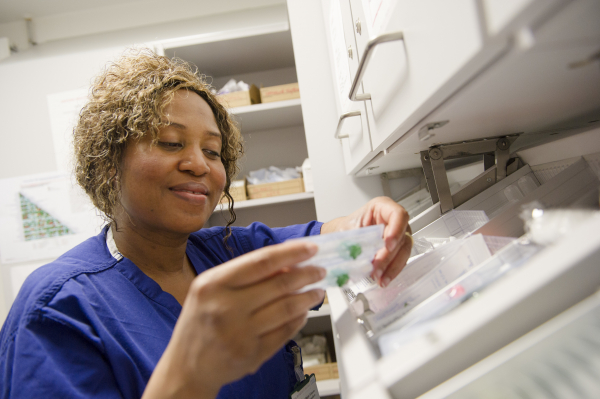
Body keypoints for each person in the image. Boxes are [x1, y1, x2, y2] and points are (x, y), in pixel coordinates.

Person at [0, 49, 412, 398]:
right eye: (170, 142)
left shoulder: (228, 252)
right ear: (109, 165)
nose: (199, 164)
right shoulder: (58, 309)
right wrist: (189, 374)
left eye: (213, 151)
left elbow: (330, 243)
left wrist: (371, 227)